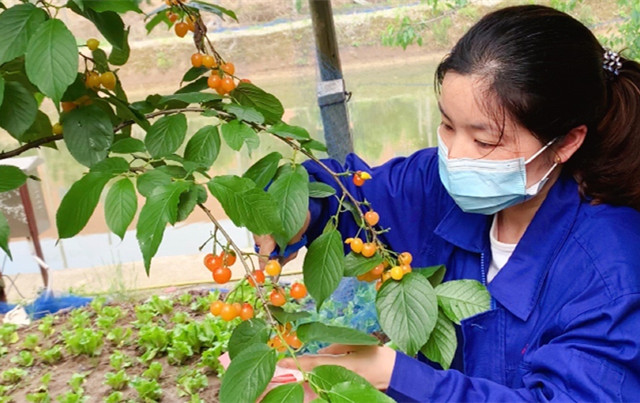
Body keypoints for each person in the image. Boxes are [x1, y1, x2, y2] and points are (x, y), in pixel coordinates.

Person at [254, 4, 640, 401]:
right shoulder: (435, 185)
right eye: (448, 125)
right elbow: (352, 196)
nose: (455, 155)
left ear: (566, 142)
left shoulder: (613, 275)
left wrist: (396, 375)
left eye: (484, 141)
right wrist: (298, 208)